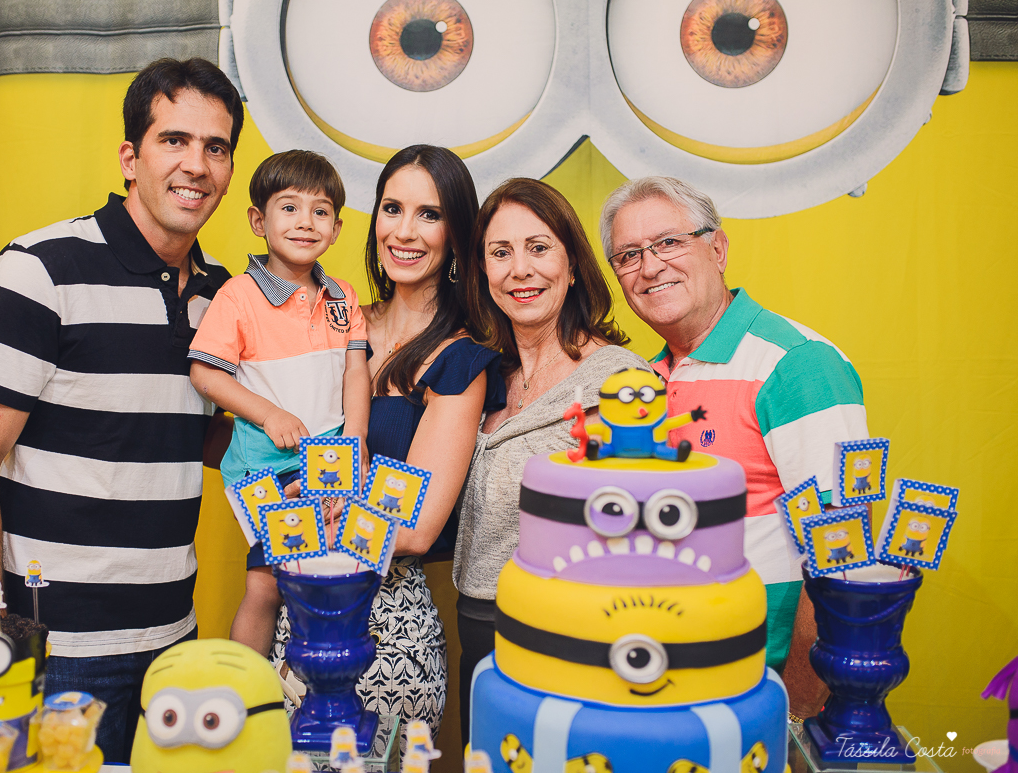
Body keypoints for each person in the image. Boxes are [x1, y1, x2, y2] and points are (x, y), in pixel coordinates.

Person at [0, 57, 242, 763]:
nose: (196, 164)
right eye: (175, 140)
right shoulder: (39, 270)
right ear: (130, 158)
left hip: (174, 640)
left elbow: (206, 440)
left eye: (216, 147)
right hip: (56, 649)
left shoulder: (225, 300)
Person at [598, 175, 869, 718]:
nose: (650, 267)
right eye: (628, 255)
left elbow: (843, 558)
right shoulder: (641, 383)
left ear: (717, 248)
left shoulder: (796, 365)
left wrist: (792, 712)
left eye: (669, 242)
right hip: (669, 687)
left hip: (761, 692)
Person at [271, 145, 504, 739]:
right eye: (392, 208)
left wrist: (304, 515)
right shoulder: (331, 319)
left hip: (385, 633)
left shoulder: (460, 361)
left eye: (429, 214)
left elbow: (420, 527)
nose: (404, 231)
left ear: (457, 234)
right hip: (294, 612)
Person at [453, 178, 649, 748]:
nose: (520, 270)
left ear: (572, 264)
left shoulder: (621, 382)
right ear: (482, 271)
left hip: (568, 634)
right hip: (477, 627)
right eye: (500, 252)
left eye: (538, 248)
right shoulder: (482, 377)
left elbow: (637, 539)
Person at [188, 149, 370, 657]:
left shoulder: (342, 296)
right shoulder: (239, 296)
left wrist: (354, 436)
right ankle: (246, 688)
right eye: (288, 208)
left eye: (320, 211)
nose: (305, 222)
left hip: (328, 455)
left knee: (330, 567)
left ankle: (317, 686)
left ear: (336, 228)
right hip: (265, 462)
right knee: (268, 580)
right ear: (258, 220)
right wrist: (268, 413)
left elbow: (356, 370)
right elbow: (204, 372)